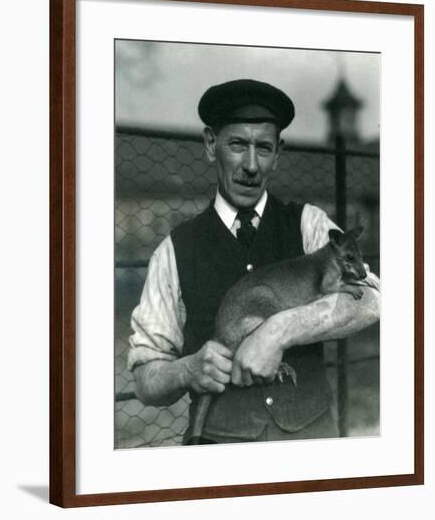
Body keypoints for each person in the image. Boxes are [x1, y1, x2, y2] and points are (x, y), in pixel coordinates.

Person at [127, 78, 380, 445]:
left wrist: (277, 332)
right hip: (220, 451)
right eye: (237, 145)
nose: (250, 165)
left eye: (263, 148)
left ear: (278, 154)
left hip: (311, 447)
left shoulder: (310, 224)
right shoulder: (173, 250)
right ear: (211, 145)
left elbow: (373, 300)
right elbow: (145, 382)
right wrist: (186, 370)